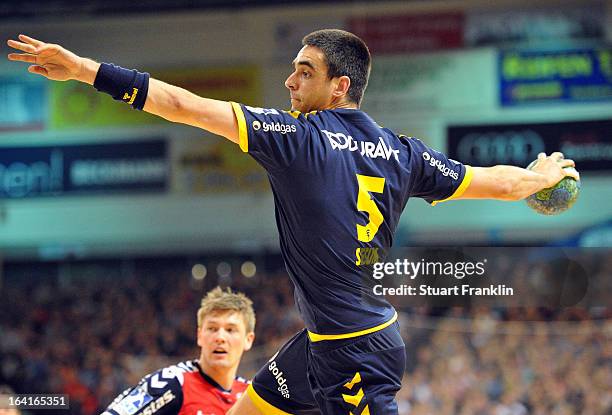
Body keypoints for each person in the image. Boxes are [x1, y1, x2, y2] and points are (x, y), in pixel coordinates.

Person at [7, 29, 579, 415]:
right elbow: (496, 183)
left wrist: (84, 69)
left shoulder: (296, 138)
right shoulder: (405, 153)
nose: (289, 82)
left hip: (357, 354)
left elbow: (181, 105)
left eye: (303, 72)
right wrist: (542, 174)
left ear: (339, 87)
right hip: (328, 342)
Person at [99, 286, 255, 415]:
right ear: (200, 336)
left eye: (230, 329)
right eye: (212, 328)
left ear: (248, 339)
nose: (220, 337)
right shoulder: (171, 382)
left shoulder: (251, 395)